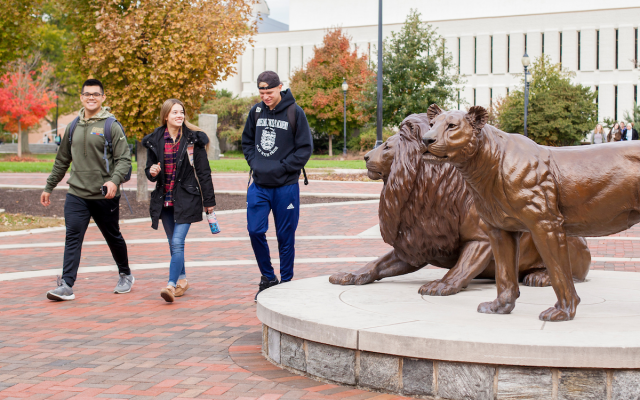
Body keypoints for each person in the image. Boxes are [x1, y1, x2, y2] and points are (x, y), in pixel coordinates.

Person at [41, 78, 133, 301]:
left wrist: (114, 181)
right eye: (87, 94)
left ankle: (125, 273)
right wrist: (49, 186)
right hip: (77, 194)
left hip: (104, 194)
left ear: (103, 97)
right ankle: (66, 285)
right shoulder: (73, 126)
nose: (91, 97)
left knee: (113, 236)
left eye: (96, 94)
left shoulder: (111, 126)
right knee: (73, 236)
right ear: (81, 97)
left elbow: (124, 160)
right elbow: (62, 160)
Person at [241, 71, 313, 301]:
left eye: (269, 92)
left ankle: (286, 282)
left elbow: (304, 149)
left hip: (286, 186)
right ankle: (268, 277)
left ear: (280, 87)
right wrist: (256, 163)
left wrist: (282, 167)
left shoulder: (295, 112)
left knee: (285, 236)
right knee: (255, 230)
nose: (265, 97)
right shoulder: (256, 111)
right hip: (259, 185)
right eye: (261, 93)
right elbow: (246, 141)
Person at [143, 99, 216, 303]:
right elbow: (150, 170)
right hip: (164, 199)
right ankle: (182, 280)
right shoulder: (155, 140)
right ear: (166, 115)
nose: (179, 115)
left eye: (181, 112)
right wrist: (152, 171)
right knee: (173, 243)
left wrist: (209, 201)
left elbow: (204, 172)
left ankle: (170, 284)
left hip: (187, 197)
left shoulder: (193, 140)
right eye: (175, 112)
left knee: (177, 242)